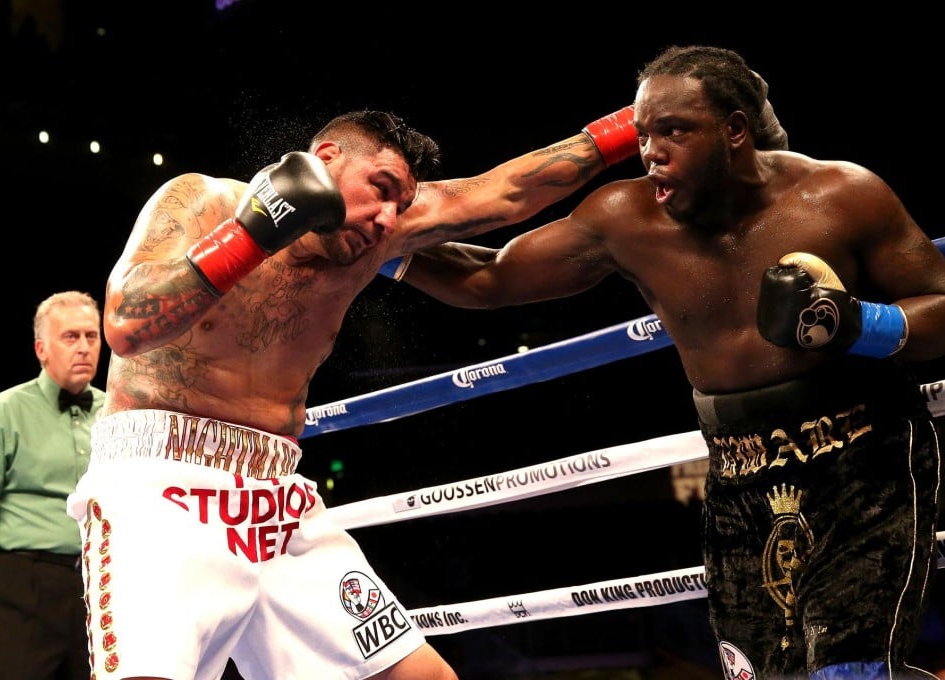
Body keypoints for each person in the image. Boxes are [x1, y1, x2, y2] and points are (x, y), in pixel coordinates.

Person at [65, 101, 708, 680]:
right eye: (380, 191)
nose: (388, 219)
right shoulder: (202, 202)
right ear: (322, 162)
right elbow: (124, 324)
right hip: (161, 486)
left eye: (401, 203)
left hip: (279, 503)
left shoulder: (377, 236)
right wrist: (257, 229)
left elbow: (508, 191)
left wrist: (644, 116)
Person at [392, 45, 945, 679]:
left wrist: (853, 323)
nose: (652, 151)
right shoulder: (624, 217)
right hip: (737, 476)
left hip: (863, 456)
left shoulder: (841, 195)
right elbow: (489, 278)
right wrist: (369, 245)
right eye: (644, 134)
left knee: (850, 671)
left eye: (675, 131)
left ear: (734, 131)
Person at [0, 290, 105, 680]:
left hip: (101, 582)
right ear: (41, 349)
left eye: (91, 337)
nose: (84, 348)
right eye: (70, 337)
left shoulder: (118, 414)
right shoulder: (4, 410)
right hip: (25, 582)